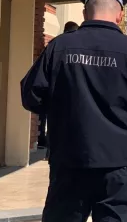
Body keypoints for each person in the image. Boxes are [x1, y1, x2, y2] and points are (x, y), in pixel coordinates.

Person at [21, 0, 127, 222]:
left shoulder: (59, 47)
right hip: (121, 166)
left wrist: (62, 107)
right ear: (120, 15)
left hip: (70, 161)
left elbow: (31, 96)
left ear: (84, 13)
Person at [42, 20, 80, 161]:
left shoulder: (55, 46)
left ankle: (50, 153)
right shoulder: (79, 48)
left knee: (55, 130)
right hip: (74, 101)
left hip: (57, 101)